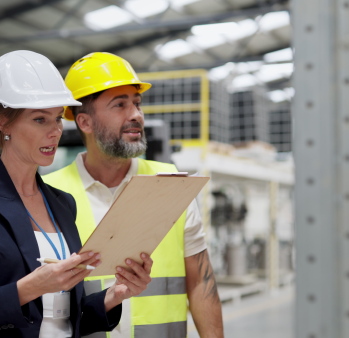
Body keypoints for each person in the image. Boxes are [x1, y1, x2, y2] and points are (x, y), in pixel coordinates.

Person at [0, 50, 153, 338]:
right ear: (2, 121)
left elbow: (64, 316)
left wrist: (115, 295)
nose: (55, 131)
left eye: (57, 118)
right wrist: (27, 288)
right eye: (40, 120)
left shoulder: (62, 204)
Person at [43, 52, 224, 338]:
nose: (136, 115)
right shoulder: (48, 195)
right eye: (120, 105)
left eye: (137, 104)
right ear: (85, 122)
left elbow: (201, 282)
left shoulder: (170, 184)